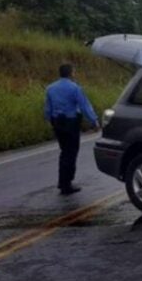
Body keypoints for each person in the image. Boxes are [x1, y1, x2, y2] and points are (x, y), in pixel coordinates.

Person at [44, 64, 99, 195]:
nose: (75, 74)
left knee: (64, 151)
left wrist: (49, 120)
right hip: (71, 122)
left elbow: (47, 108)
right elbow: (84, 105)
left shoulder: (50, 88)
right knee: (71, 152)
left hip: (57, 122)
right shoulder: (75, 88)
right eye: (74, 72)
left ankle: (62, 181)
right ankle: (66, 184)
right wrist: (94, 120)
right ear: (71, 73)